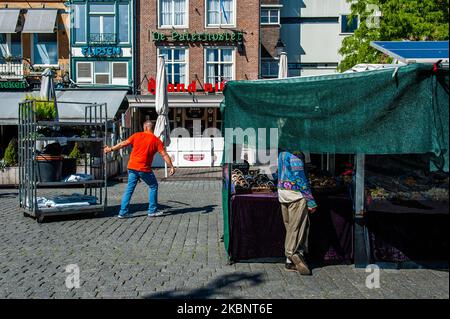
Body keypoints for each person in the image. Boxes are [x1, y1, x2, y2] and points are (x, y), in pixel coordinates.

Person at [104, 120, 175, 218]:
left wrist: (110, 149)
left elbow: (123, 143)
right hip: (144, 169)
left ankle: (123, 212)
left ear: (145, 127)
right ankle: (152, 210)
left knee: (129, 189)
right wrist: (171, 166)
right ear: (152, 128)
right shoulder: (156, 140)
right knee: (153, 186)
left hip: (132, 167)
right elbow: (164, 155)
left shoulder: (136, 135)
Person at [277, 149, 317, 275]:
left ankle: (289, 262)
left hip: (282, 193)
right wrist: (311, 201)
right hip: (296, 195)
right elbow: (300, 179)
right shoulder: (296, 155)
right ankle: (291, 253)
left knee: (290, 227)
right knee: (297, 228)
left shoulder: (282, 153)